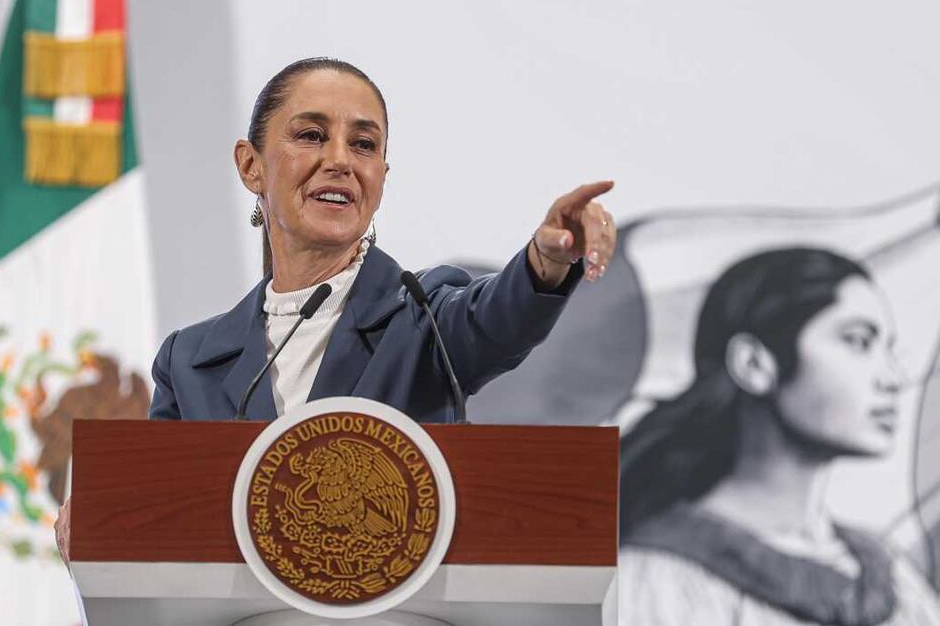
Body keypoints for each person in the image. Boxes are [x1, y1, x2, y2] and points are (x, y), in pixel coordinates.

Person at [54, 57, 618, 562]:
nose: (340, 161)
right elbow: (163, 515)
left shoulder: (422, 320)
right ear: (251, 166)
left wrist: (546, 259)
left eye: (364, 145)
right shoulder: (189, 360)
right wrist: (107, 527)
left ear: (381, 179)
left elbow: (495, 318)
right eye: (311, 135)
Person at [618, 247, 940, 625]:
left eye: (888, 349)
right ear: (753, 364)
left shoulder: (896, 582)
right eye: (857, 341)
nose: (894, 379)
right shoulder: (655, 580)